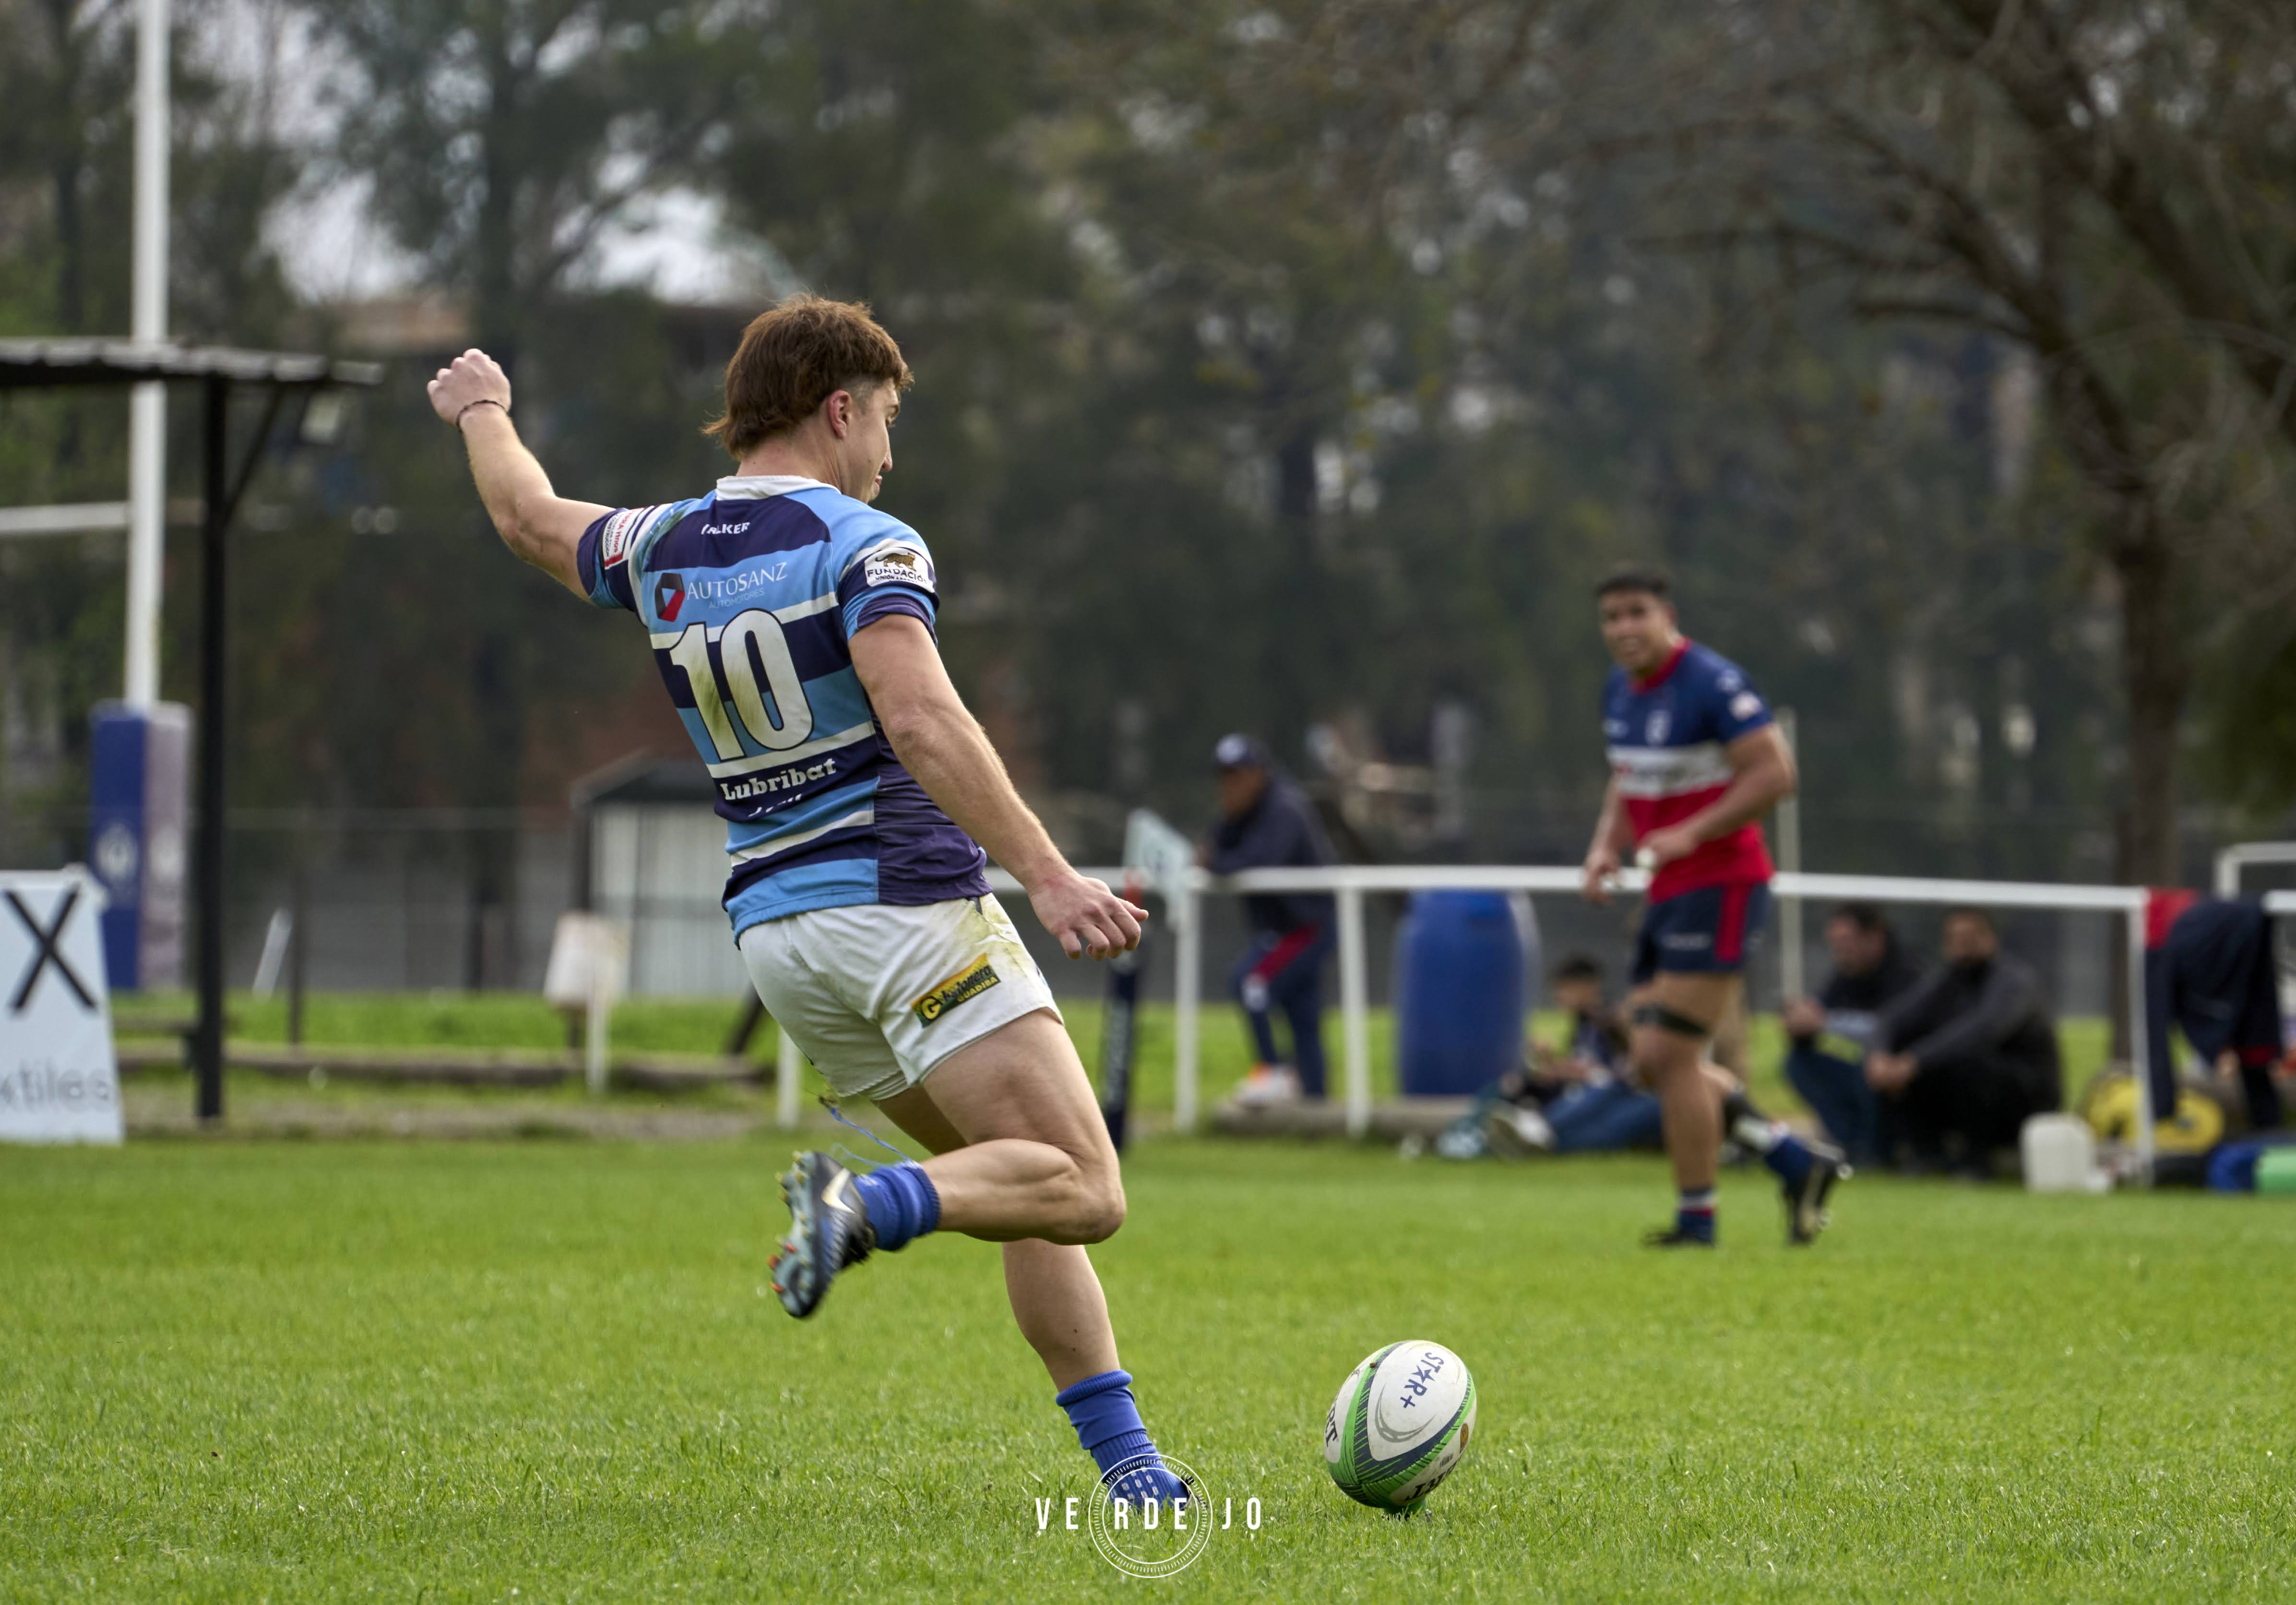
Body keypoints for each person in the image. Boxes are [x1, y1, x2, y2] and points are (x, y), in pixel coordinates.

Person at [427, 296, 1187, 1508]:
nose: (887, 451)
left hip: (781, 942)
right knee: (1082, 1183)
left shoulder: (660, 543)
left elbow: (523, 515)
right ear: (838, 408)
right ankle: (860, 1198)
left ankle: (1132, 1469)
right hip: (903, 911)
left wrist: (483, 413)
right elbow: (923, 717)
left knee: (1015, 1185)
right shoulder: (864, 542)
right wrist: (1046, 871)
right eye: (884, 419)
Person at [1578, 564, 1850, 1246]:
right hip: (1666, 889)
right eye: (1611, 617)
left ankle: (1697, 1219)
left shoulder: (1710, 681)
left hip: (1723, 884)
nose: (1623, 629)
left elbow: (1775, 773)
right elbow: (1627, 779)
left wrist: (1693, 832)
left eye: (1636, 612)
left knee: (1668, 1054)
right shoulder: (1621, 688)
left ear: (1667, 615)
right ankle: (1793, 1160)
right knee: (1648, 1061)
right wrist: (1604, 846)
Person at [1866, 907, 2062, 1176]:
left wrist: (1915, 1061)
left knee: (1967, 1063)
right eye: (1955, 939)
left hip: (2025, 1096)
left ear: (1991, 939)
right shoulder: (1948, 980)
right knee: (1906, 1056)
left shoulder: (2014, 981)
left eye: (1970, 938)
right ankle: (1925, 1155)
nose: (1962, 947)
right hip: (1963, 1091)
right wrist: (1880, 1057)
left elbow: (1985, 1029)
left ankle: (1977, 1161)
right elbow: (1890, 1020)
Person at [1204, 733, 1336, 1104]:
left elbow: (1258, 859)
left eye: (1240, 774)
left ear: (1260, 773)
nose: (1232, 785)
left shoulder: (1285, 807)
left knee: (1252, 983)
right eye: (1225, 776)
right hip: (1281, 932)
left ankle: (1274, 1073)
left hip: (1306, 929)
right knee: (1302, 1016)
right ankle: (1314, 1106)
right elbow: (1217, 847)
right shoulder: (1237, 814)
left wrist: (1213, 862)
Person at [1472, 956, 1663, 1157]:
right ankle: (1522, 1136)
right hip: (1593, 1099)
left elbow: (1621, 1072)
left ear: (1587, 988)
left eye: (1563, 989)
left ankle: (1534, 1132)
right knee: (1511, 1086)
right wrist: (1551, 1065)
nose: (1558, 997)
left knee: (1605, 1092)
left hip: (1628, 1096)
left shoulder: (1612, 1023)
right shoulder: (1581, 1026)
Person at [1781, 903, 1923, 1164]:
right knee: (1799, 1065)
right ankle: (1850, 1146)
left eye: (1847, 941)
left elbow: (1887, 1025)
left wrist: (1825, 1022)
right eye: (1834, 943)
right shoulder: (1846, 973)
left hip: (1913, 1078)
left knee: (1871, 1069)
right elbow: (1820, 1012)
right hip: (1869, 1071)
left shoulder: (1907, 972)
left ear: (1874, 938)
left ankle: (1879, 1151)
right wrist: (1799, 1022)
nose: (1840, 951)